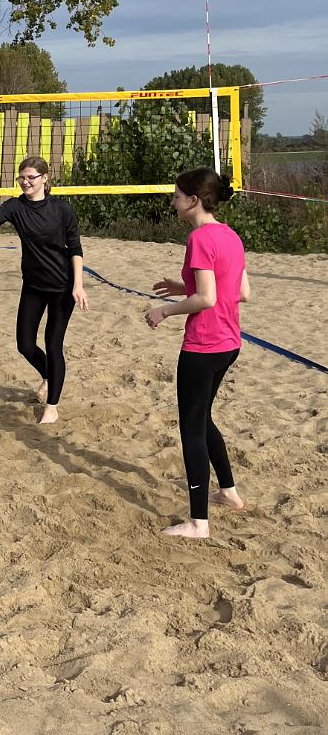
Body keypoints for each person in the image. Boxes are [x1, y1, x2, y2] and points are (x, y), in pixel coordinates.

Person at [0, 155, 89, 424]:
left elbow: (75, 248)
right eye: (21, 177)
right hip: (33, 284)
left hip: (62, 287)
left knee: (53, 344)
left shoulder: (62, 209)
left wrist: (78, 286)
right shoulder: (15, 207)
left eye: (31, 177)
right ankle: (48, 375)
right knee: (25, 344)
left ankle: (52, 406)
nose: (25, 182)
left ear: (44, 179)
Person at [145, 166, 249, 539]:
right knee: (203, 418)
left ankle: (197, 523)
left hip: (204, 345)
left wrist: (165, 310)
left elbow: (207, 298)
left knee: (191, 427)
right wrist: (182, 286)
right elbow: (241, 292)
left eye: (176, 197)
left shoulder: (200, 239)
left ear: (193, 200)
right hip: (229, 343)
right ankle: (229, 493)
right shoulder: (230, 235)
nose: (172, 203)